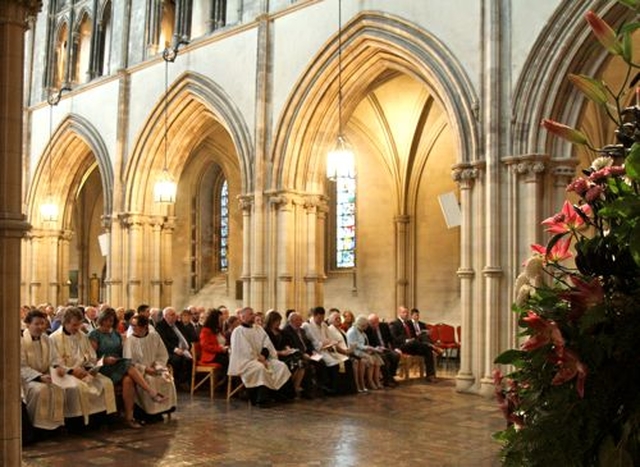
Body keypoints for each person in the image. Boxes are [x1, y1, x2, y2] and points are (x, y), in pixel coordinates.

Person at [88, 308, 168, 428]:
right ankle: (151, 392)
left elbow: (123, 352)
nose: (108, 323)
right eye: (106, 320)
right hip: (103, 367)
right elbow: (91, 358)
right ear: (101, 319)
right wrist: (104, 360)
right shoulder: (94, 334)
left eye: (111, 320)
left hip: (118, 365)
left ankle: (129, 418)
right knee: (129, 364)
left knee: (128, 380)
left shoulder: (115, 333)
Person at [49, 306, 117, 425]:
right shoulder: (54, 338)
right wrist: (71, 371)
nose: (77, 328)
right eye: (74, 325)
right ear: (65, 322)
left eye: (79, 324)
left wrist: (90, 368)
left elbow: (91, 356)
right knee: (77, 389)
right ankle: (78, 423)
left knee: (106, 383)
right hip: (66, 374)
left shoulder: (82, 336)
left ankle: (101, 420)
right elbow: (53, 362)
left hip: (84, 372)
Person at [228, 307, 291, 407]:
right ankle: (261, 399)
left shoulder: (259, 328)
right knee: (259, 368)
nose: (253, 315)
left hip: (263, 358)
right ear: (242, 317)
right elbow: (243, 350)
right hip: (246, 362)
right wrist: (258, 359)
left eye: (253, 313)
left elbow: (267, 344)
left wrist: (264, 355)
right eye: (250, 314)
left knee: (281, 366)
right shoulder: (238, 331)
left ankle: (278, 395)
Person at [123, 315, 177, 421]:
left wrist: (157, 366)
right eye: (132, 325)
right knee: (150, 380)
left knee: (166, 378)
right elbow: (129, 362)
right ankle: (148, 414)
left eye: (135, 325)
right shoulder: (130, 341)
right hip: (141, 372)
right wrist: (145, 369)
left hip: (155, 367)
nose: (133, 328)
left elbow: (162, 354)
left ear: (144, 326)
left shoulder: (154, 336)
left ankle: (164, 410)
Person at [20, 309, 65, 431]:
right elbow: (21, 366)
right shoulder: (21, 341)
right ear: (28, 324)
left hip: (46, 376)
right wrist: (39, 377)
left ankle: (54, 426)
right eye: (36, 324)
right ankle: (37, 427)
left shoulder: (47, 339)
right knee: (40, 390)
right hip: (27, 380)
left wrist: (58, 367)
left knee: (58, 388)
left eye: (42, 323)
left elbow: (55, 358)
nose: (40, 327)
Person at [302, 306, 348, 395]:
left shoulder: (323, 324)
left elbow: (329, 337)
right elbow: (313, 342)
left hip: (326, 349)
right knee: (332, 363)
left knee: (339, 361)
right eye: (319, 318)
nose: (321, 320)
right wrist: (324, 343)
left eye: (323, 318)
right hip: (315, 351)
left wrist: (331, 342)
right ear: (314, 315)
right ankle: (328, 387)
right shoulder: (307, 325)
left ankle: (337, 388)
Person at [389, 306, 437, 382]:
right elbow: (394, 338)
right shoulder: (395, 324)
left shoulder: (408, 324)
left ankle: (430, 375)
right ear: (399, 313)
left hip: (412, 345)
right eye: (404, 312)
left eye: (407, 312)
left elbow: (414, 335)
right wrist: (406, 340)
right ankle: (431, 346)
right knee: (416, 342)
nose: (406, 314)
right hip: (402, 346)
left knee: (427, 350)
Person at [264, 310, 306, 398]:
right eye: (277, 321)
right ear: (271, 321)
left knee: (301, 363)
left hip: (284, 353)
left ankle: (295, 387)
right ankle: (287, 390)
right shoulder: (266, 332)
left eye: (279, 321)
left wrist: (288, 348)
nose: (279, 323)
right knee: (292, 364)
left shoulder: (280, 331)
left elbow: (286, 342)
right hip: (274, 356)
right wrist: (280, 352)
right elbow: (267, 349)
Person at [155, 307, 193, 388]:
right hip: (168, 350)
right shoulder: (160, 326)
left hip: (182, 349)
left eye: (175, 314)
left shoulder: (178, 324)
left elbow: (185, 336)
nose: (175, 316)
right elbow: (164, 342)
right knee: (177, 359)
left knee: (190, 360)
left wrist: (186, 347)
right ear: (165, 316)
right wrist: (175, 349)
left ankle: (184, 382)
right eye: (172, 315)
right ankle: (176, 382)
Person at [346, 315, 384, 391]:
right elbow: (356, 345)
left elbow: (366, 343)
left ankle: (376, 380)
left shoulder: (362, 332)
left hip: (363, 350)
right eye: (366, 325)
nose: (367, 326)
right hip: (355, 352)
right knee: (370, 359)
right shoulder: (352, 331)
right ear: (361, 324)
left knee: (377, 358)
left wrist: (373, 349)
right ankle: (368, 382)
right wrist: (369, 348)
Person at [366, 313, 400, 386]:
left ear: (378, 321)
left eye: (373, 323)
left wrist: (395, 348)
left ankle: (391, 376)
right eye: (370, 323)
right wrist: (376, 349)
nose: (372, 325)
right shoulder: (367, 329)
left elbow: (391, 339)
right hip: (376, 350)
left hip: (385, 348)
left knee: (396, 355)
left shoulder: (384, 326)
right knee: (384, 358)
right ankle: (387, 380)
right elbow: (367, 343)